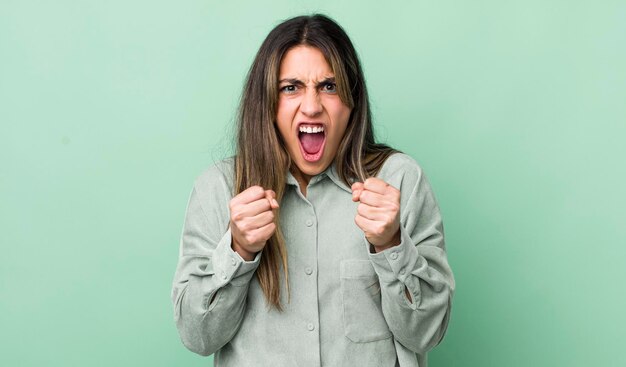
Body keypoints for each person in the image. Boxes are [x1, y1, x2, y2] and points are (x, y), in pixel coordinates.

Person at [171, 14, 455, 367]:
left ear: (351, 102)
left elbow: (427, 334)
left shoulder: (399, 180)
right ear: (269, 103)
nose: (311, 106)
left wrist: (391, 243)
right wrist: (238, 249)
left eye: (329, 86)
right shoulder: (219, 188)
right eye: (291, 87)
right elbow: (197, 337)